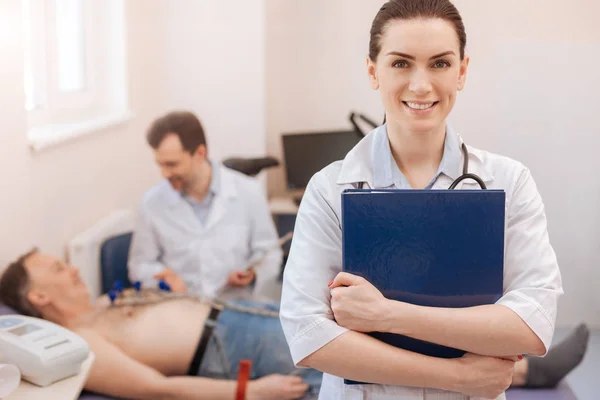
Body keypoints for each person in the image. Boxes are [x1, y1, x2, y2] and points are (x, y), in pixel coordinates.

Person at [279, 0, 564, 399]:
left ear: (462, 71)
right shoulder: (330, 189)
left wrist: (385, 315)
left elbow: (531, 327)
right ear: (372, 71)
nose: (420, 85)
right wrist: (458, 377)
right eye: (400, 63)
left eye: (440, 64)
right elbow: (309, 337)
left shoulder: (510, 182)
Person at [0, 249, 320, 400]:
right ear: (39, 296)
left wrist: (177, 294)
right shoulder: (82, 346)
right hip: (238, 349)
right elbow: (157, 388)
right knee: (346, 372)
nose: (72, 269)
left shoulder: (102, 303)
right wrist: (251, 392)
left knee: (344, 338)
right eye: (58, 268)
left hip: (244, 312)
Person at [129, 110, 282, 300]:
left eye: (172, 164)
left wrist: (253, 274)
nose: (164, 174)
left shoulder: (248, 191)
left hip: (236, 305)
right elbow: (140, 265)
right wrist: (165, 278)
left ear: (200, 153)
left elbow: (270, 254)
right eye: (160, 165)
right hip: (181, 308)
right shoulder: (151, 202)